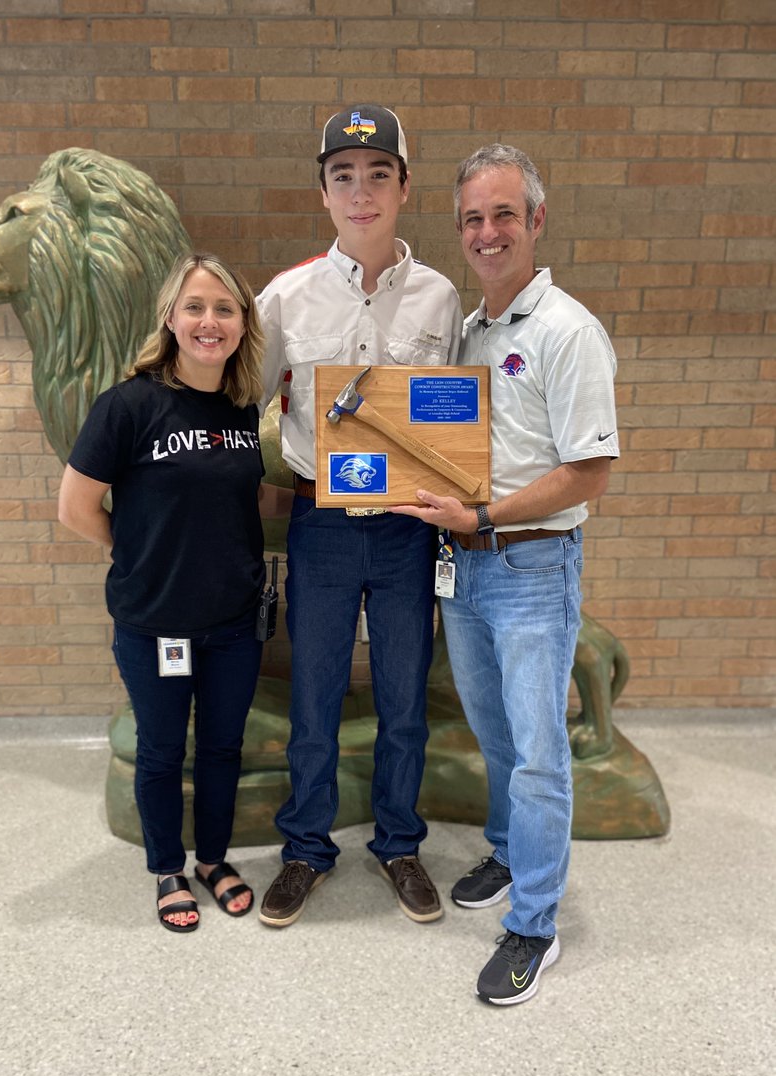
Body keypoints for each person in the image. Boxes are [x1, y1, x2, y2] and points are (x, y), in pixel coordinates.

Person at [392, 144, 619, 1003]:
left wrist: (483, 517)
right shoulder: (470, 331)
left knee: (537, 755)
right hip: (466, 567)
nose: (487, 233)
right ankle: (508, 850)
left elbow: (588, 472)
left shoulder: (567, 330)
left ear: (536, 220)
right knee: (494, 735)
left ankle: (535, 926)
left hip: (529, 564)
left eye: (504, 215)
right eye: (472, 219)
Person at [255, 104, 463, 927]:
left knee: (405, 699)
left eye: (379, 175)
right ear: (324, 192)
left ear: (405, 187)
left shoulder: (440, 298)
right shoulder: (286, 297)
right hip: (325, 526)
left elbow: (458, 417)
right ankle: (306, 849)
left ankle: (400, 844)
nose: (361, 191)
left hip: (410, 526)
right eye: (343, 176)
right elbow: (243, 400)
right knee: (315, 698)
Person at [59, 252, 289, 932]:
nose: (209, 321)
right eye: (195, 307)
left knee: (222, 748)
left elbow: (243, 495)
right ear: (170, 318)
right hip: (155, 624)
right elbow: (75, 508)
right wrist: (135, 552)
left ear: (242, 324)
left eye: (224, 308)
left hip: (233, 623)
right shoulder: (127, 405)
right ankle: (168, 868)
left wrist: (326, 501)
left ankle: (213, 860)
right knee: (162, 751)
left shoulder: (241, 410)